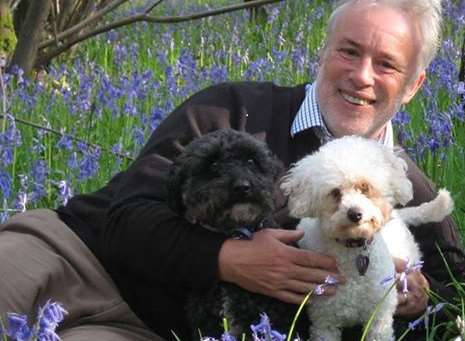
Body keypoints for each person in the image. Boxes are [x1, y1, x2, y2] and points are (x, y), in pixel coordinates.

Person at [1, 0, 464, 340]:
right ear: (323, 55)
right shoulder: (233, 108)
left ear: (413, 86)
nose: (362, 75)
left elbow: (451, 292)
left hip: (153, 330)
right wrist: (229, 260)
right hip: (79, 255)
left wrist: (417, 298)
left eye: (386, 64)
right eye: (349, 51)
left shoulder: (409, 188)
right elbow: (128, 213)